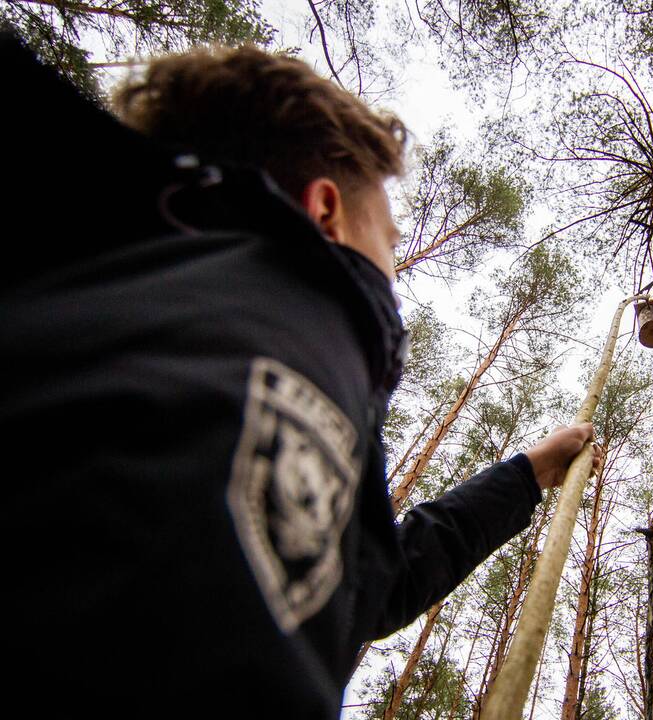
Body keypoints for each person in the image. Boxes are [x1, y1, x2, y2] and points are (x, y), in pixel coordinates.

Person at [2, 35, 596, 718]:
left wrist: (525, 473)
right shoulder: (298, 307)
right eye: (391, 244)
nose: (393, 278)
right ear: (324, 211)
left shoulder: (95, 283)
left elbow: (368, 585)